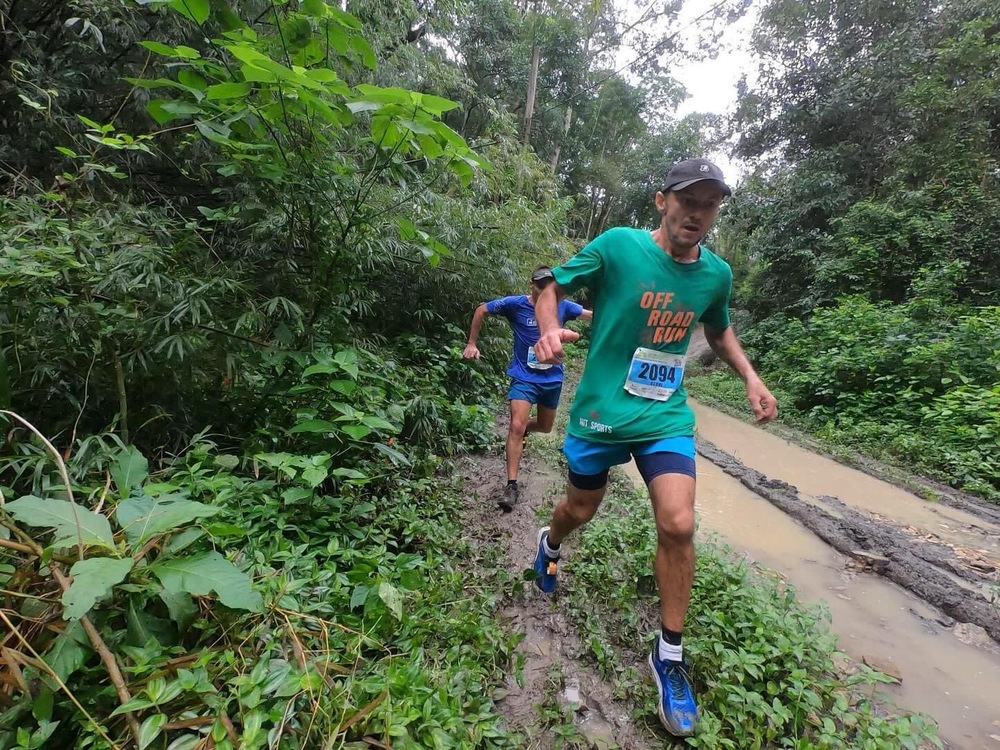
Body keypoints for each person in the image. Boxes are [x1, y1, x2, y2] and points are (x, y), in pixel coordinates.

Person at [529, 158, 778, 737]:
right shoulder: (619, 247)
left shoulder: (715, 274)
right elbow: (550, 283)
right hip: (600, 414)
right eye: (689, 199)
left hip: (664, 414)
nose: (698, 212)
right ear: (662, 201)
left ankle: (668, 655)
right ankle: (551, 541)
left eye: (710, 203)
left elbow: (717, 328)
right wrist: (546, 327)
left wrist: (750, 376)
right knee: (578, 511)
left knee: (678, 521)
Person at [463, 266, 592, 511]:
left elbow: (590, 315)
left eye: (549, 285)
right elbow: (482, 309)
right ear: (531, 284)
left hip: (551, 379)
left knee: (544, 426)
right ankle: (511, 485)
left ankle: (524, 432)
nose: (545, 290)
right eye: (541, 285)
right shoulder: (515, 304)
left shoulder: (562, 305)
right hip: (523, 377)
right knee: (516, 425)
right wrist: (472, 343)